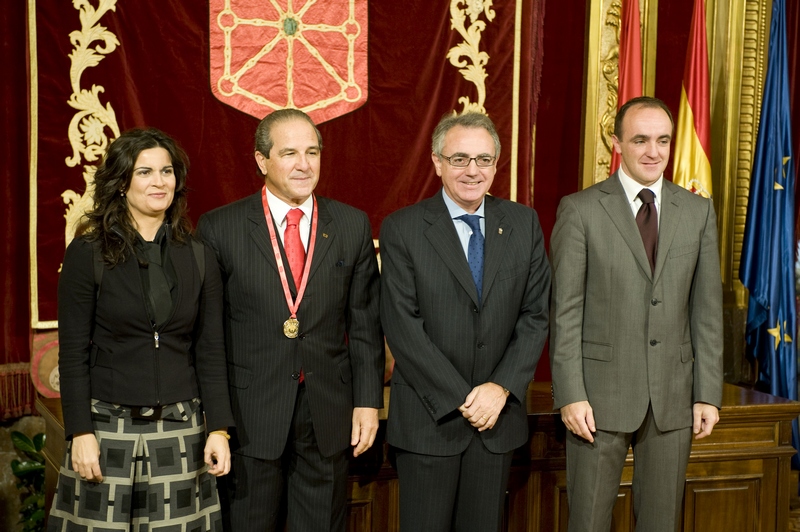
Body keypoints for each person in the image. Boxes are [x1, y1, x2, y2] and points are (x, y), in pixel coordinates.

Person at [197, 108, 384, 532]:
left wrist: (368, 402)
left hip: (329, 415)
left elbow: (365, 326)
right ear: (262, 160)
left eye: (312, 152)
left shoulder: (351, 224)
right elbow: (209, 337)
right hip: (250, 417)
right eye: (290, 153)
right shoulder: (220, 228)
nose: (304, 164)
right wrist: (218, 423)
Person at [550, 96, 724, 532]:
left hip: (673, 398)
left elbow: (706, 312)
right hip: (597, 399)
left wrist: (707, 393)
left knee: (661, 523)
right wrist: (570, 393)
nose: (653, 151)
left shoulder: (698, 211)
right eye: (641, 140)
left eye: (663, 140)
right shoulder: (580, 209)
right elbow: (565, 313)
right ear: (617, 143)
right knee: (588, 523)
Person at [49, 128, 234, 531]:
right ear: (121, 183)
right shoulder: (88, 252)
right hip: (107, 426)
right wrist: (80, 432)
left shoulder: (199, 255)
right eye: (145, 172)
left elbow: (210, 349)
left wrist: (219, 429)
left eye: (167, 171)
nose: (159, 182)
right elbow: (73, 352)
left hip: (181, 428)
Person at [379, 111, 551, 532]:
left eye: (483, 159)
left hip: (497, 422)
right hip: (429, 422)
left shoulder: (523, 223)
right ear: (437, 162)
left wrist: (500, 387)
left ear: (495, 164)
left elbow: (536, 315)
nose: (472, 171)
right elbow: (402, 326)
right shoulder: (403, 228)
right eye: (459, 159)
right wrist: (463, 398)